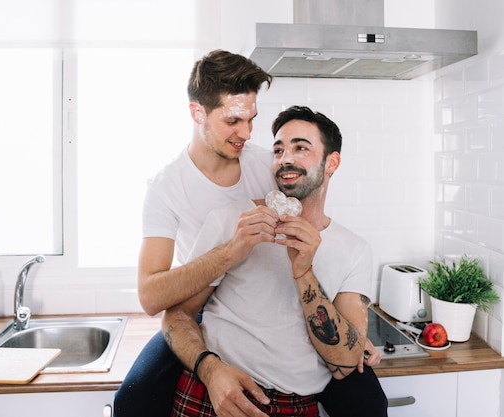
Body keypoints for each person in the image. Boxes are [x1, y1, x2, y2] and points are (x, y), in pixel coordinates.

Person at [114, 50, 384, 416]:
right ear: (197, 113)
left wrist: (348, 330)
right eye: (233, 121)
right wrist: (230, 251)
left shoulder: (268, 161)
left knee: (369, 401)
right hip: (202, 308)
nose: (246, 134)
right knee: (132, 400)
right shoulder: (168, 189)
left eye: (252, 119)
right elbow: (151, 297)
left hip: (282, 322)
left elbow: (311, 197)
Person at [162, 105, 387, 417]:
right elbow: (176, 315)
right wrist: (210, 371)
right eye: (278, 149)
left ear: (331, 162)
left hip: (293, 405)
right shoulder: (232, 221)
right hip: (214, 393)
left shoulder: (355, 250)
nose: (286, 159)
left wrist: (304, 270)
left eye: (301, 148)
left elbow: (346, 362)